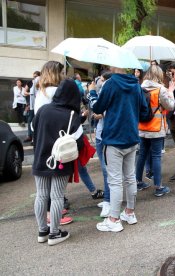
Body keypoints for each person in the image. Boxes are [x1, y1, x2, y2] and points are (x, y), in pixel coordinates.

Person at [88, 65, 148, 232]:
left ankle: (113, 219)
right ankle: (129, 212)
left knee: (114, 181)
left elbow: (98, 107)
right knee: (129, 178)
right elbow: (144, 112)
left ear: (114, 66)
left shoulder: (110, 84)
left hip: (114, 138)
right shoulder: (136, 84)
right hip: (131, 137)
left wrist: (92, 92)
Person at [32, 79, 84, 246]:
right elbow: (79, 142)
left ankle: (42, 231)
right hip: (61, 162)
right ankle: (54, 233)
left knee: (41, 195)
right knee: (56, 197)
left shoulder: (42, 110)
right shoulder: (72, 116)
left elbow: (34, 130)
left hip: (40, 158)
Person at [135, 65, 175, 197]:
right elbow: (170, 106)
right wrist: (171, 93)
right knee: (156, 156)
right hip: (156, 127)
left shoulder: (140, 88)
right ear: (159, 75)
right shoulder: (161, 89)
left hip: (142, 126)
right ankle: (158, 187)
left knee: (142, 154)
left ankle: (138, 181)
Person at [89, 71, 112, 217]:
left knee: (107, 170)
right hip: (99, 134)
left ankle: (109, 201)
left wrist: (91, 91)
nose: (99, 82)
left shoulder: (110, 89)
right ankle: (107, 199)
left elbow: (101, 107)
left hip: (106, 135)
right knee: (104, 170)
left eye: (102, 80)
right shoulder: (104, 90)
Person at [23, 71, 40, 143]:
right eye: (33, 76)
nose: (34, 78)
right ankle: (29, 136)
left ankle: (35, 138)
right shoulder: (30, 82)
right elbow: (24, 92)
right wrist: (31, 93)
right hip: (32, 104)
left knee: (37, 121)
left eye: (36, 76)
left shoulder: (41, 82)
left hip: (39, 104)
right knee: (30, 120)